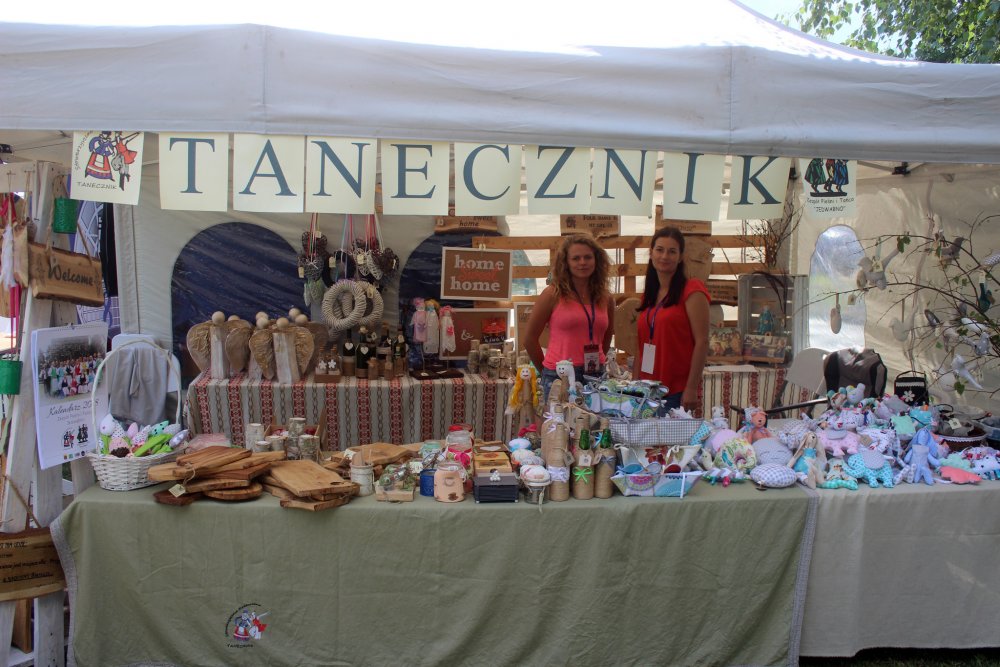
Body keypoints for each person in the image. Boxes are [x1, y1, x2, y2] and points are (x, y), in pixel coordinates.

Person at [522, 234, 615, 404]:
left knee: (595, 421)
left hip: (596, 374)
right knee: (561, 421)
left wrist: (597, 359)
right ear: (566, 262)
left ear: (596, 260)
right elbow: (529, 339)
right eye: (576, 258)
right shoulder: (552, 294)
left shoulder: (606, 298)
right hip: (560, 374)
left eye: (588, 257)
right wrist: (547, 371)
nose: (582, 262)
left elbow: (607, 337)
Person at [633, 226, 710, 412]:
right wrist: (634, 384)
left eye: (672, 251)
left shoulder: (692, 290)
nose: (664, 256)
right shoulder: (650, 295)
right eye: (659, 250)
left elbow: (702, 342)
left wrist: (691, 388)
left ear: (681, 257)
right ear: (651, 253)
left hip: (675, 390)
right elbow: (641, 345)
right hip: (646, 389)